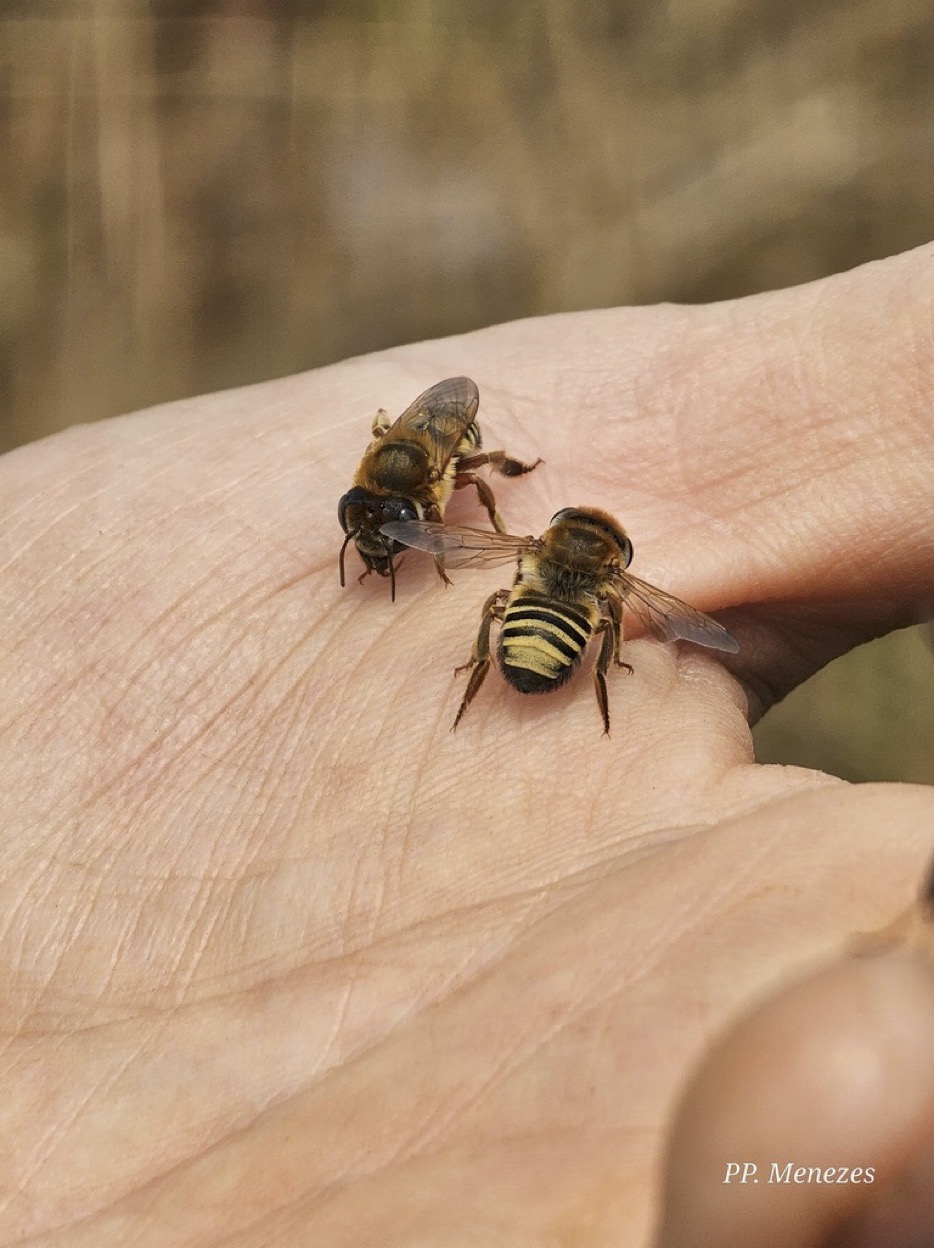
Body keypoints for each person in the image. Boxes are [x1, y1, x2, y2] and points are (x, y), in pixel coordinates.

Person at [1, 243, 932, 1247]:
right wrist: (600, 657)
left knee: (504, 608)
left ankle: (492, 669)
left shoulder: (506, 545)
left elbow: (473, 533)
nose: (392, 536)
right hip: (554, 642)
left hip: (529, 634)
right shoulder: (587, 579)